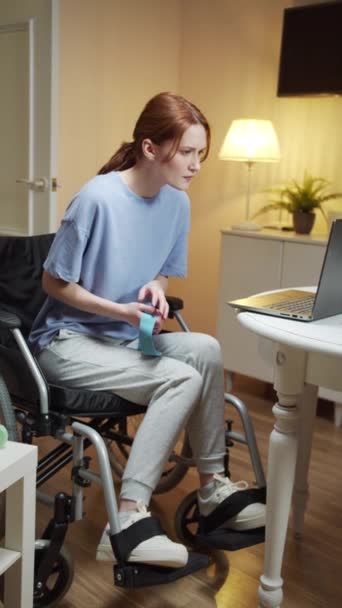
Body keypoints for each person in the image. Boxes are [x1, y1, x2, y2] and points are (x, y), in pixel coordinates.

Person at [29, 92, 265, 568]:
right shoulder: (97, 198)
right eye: (187, 152)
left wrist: (154, 287)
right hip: (68, 341)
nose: (197, 164)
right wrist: (119, 311)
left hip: (120, 340)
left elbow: (158, 270)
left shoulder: (177, 203)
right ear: (150, 149)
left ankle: (212, 489)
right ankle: (131, 519)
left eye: (202, 153)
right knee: (182, 378)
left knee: (206, 349)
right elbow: (53, 282)